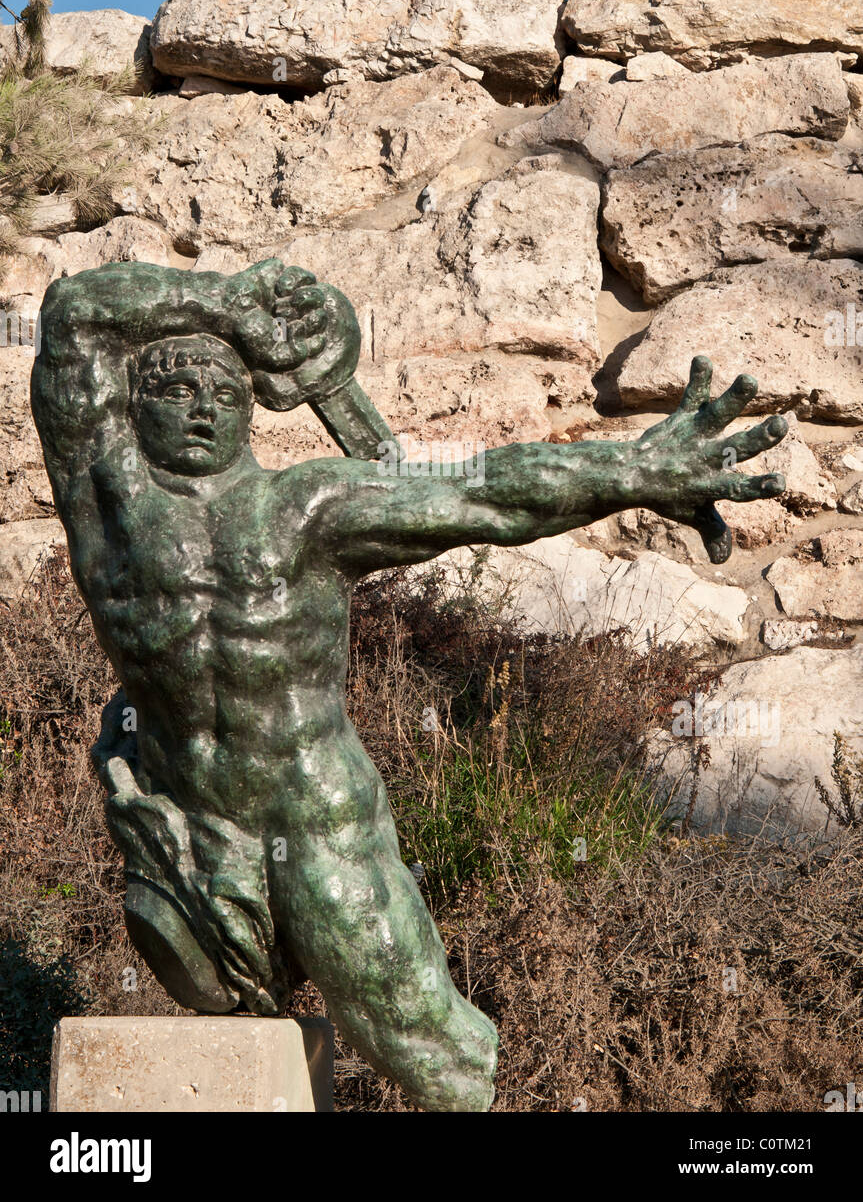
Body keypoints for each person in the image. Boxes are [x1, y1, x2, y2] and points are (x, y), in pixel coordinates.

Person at [31, 257, 788, 1111]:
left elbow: (487, 493)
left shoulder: (307, 508)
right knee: (211, 1002)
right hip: (181, 822)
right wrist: (236, 307)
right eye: (176, 389)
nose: (203, 406)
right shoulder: (106, 498)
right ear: (132, 406)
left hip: (309, 813)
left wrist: (633, 474)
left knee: (421, 1048)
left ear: (254, 410)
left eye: (225, 390)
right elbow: (76, 311)